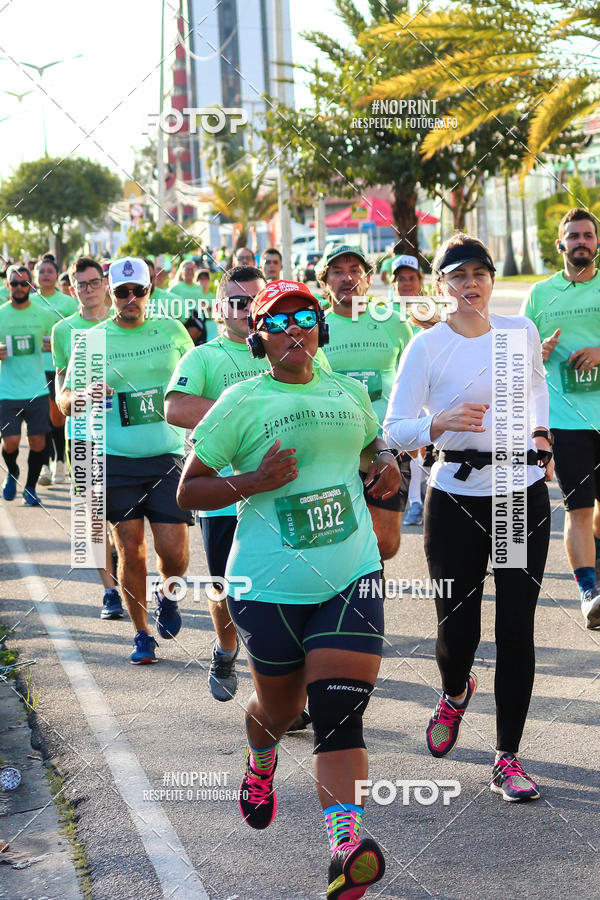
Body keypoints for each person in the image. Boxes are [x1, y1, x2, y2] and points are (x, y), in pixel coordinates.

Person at [178, 278, 398, 897]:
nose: (294, 327)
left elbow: (373, 449)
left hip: (350, 575)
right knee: (280, 712)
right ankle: (261, 762)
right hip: (268, 584)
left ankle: (345, 846)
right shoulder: (239, 403)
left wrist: (384, 468)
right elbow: (188, 491)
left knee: (338, 711)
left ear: (321, 327)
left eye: (306, 315)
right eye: (277, 320)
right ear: (259, 338)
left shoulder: (349, 393)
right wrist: (253, 479)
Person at [384, 233, 553, 802]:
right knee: (458, 631)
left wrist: (540, 434)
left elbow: (535, 384)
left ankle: (507, 756)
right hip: (454, 497)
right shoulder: (426, 349)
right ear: (441, 287)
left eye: (480, 272)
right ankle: (456, 692)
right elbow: (393, 430)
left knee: (515, 629)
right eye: (458, 275)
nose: (472, 283)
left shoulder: (519, 332)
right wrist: (440, 422)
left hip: (517, 493)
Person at [165, 266, 330, 715]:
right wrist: (244, 419)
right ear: (221, 309)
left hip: (293, 495)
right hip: (226, 499)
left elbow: (325, 397)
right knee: (228, 589)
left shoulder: (300, 346)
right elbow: (175, 406)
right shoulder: (203, 357)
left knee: (296, 591)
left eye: (255, 301)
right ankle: (225, 649)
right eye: (236, 302)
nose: (245, 309)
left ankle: (294, 695)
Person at [58, 257, 194, 664]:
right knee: (129, 548)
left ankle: (167, 595)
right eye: (123, 292)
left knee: (174, 554)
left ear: (150, 291)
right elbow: (64, 402)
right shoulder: (93, 340)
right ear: (111, 292)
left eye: (140, 291)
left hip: (166, 456)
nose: (131, 299)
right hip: (114, 458)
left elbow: (195, 379)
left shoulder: (171, 330)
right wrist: (82, 397)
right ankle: (141, 634)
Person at [521, 208, 600, 629]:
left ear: (597, 243)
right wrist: (537, 353)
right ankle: (590, 592)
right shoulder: (539, 294)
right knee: (579, 508)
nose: (581, 241)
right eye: (573, 236)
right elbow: (516, 351)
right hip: (566, 420)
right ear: (560, 244)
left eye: (588, 235)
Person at [319, 245, 413, 562]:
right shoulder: (314, 330)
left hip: (386, 447)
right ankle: (360, 588)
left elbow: (416, 379)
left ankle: (366, 575)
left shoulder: (395, 323)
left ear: (369, 279)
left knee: (386, 542)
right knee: (338, 538)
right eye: (337, 271)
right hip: (331, 449)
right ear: (324, 282)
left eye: (355, 270)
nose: (347, 278)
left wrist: (418, 430)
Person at [52, 256, 123, 619]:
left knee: (125, 522)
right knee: (94, 516)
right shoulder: (63, 331)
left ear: (105, 284)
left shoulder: (129, 322)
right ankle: (110, 591)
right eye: (82, 284)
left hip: (126, 435)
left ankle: (134, 581)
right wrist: (83, 396)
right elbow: (61, 393)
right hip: (82, 435)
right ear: (72, 289)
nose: (89, 289)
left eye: (95, 282)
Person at [0, 265, 54, 505]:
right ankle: (13, 474)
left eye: (24, 283)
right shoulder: (1, 314)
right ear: (7, 286)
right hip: (7, 390)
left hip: (37, 389)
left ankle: (31, 487)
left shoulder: (44, 314)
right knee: (10, 443)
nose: (19, 287)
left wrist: (52, 347)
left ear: (31, 286)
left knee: (38, 442)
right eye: (14, 283)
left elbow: (57, 344)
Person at [391, 254, 429, 528]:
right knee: (411, 447)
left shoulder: (431, 311)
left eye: (411, 278)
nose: (406, 284)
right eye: (400, 279)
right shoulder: (384, 313)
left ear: (420, 281)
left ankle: (417, 498)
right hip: (398, 388)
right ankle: (415, 497)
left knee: (419, 448)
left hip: (428, 386)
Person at [32, 254, 77, 486]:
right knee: (42, 417)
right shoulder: (29, 303)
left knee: (58, 417)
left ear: (56, 275)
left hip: (59, 366)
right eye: (41, 272)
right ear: (35, 276)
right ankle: (46, 465)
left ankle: (60, 460)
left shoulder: (68, 303)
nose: (45, 275)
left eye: (50, 271)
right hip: (35, 367)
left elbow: (76, 329)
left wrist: (58, 342)